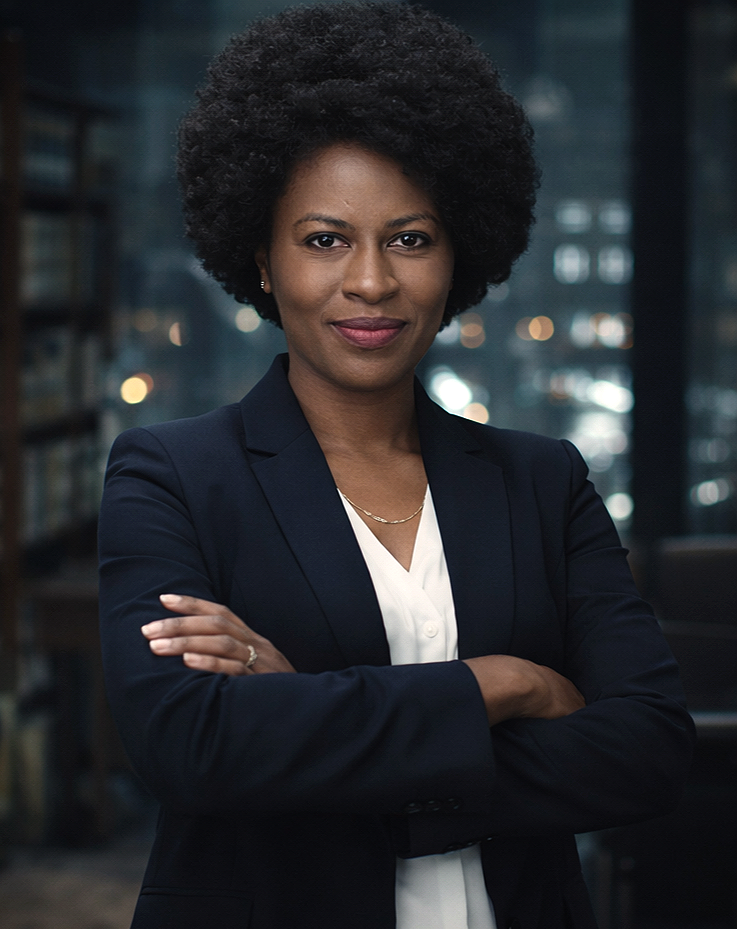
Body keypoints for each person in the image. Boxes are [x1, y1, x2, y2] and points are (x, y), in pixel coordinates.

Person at [98, 4, 694, 927]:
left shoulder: (544, 482)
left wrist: (305, 720)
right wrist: (508, 683)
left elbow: (648, 749)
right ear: (261, 258)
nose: (371, 280)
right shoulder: (173, 476)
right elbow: (191, 745)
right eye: (325, 238)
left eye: (410, 238)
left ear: (457, 259)